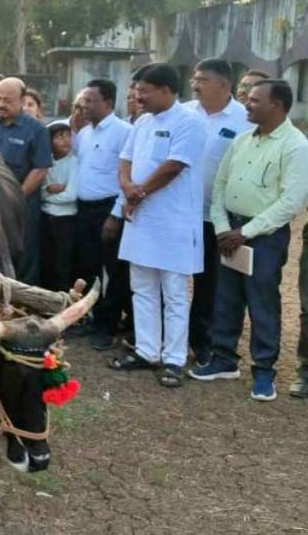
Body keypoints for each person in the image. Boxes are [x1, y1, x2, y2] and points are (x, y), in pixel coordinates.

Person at [190, 80, 308, 401]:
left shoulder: (296, 146)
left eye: (255, 100)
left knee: (262, 303)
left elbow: (291, 202)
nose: (247, 104)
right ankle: (224, 359)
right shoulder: (242, 140)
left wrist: (246, 232)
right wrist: (222, 227)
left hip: (264, 237)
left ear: (278, 106)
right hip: (229, 231)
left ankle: (264, 371)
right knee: (225, 298)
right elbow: (220, 187)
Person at [107, 63, 207, 388]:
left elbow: (174, 166)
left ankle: (174, 359)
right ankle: (148, 351)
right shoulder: (143, 122)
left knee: (174, 292)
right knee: (142, 287)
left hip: (173, 223)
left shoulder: (190, 122)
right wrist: (126, 186)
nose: (138, 96)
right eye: (136, 90)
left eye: (144, 90)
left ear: (166, 90)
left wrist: (140, 191)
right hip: (141, 218)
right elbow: (125, 158)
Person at [184, 58, 253, 367]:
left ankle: (205, 343)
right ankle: (170, 338)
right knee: (172, 276)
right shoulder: (184, 112)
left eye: (202, 80)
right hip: (181, 212)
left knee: (211, 283)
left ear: (223, 86)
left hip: (219, 217)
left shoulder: (245, 119)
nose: (194, 84)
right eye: (194, 79)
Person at [0, 77, 52, 285]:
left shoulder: (36, 129)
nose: (0, 104)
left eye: (7, 100)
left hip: (21, 207)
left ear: (22, 99)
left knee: (23, 255)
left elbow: (40, 168)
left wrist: (15, 196)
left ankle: (24, 304)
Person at [75, 79, 133, 351]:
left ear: (108, 102)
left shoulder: (124, 132)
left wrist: (115, 214)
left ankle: (107, 326)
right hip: (83, 210)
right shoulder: (84, 133)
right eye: (83, 100)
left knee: (114, 272)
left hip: (108, 210)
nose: (84, 106)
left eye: (90, 101)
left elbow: (129, 176)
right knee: (87, 267)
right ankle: (90, 317)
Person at [40, 122, 77, 292]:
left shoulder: (74, 162)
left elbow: (71, 195)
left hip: (66, 220)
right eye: (59, 137)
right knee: (46, 262)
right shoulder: (46, 163)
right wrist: (49, 191)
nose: (65, 140)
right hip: (46, 218)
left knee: (62, 265)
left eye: (68, 136)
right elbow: (40, 191)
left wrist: (48, 196)